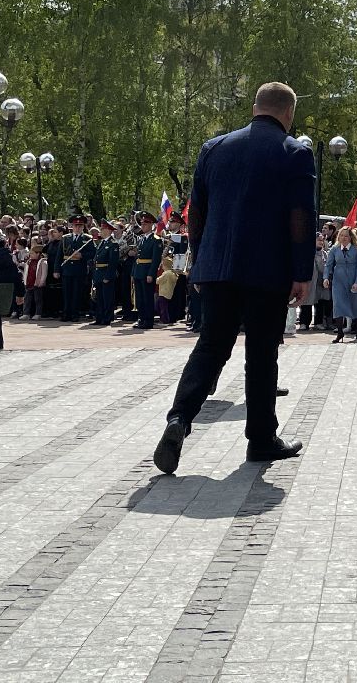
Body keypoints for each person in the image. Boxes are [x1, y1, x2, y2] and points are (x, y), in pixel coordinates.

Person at [153, 82, 317, 473]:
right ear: (288, 113)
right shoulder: (295, 153)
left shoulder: (214, 148)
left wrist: (200, 260)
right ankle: (261, 440)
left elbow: (197, 213)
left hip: (217, 268)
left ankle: (179, 418)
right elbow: (301, 217)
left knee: (211, 346)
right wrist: (300, 272)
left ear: (255, 107)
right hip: (268, 270)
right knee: (261, 354)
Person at [325, 225, 357, 343]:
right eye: (341, 236)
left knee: (356, 305)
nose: (343, 238)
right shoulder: (334, 249)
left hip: (354, 279)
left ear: (350, 238)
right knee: (338, 305)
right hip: (338, 281)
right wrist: (325, 278)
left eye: (346, 236)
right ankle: (339, 332)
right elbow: (328, 265)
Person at [59, 216, 94, 322]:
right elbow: (59, 255)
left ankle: (75, 314)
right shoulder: (65, 238)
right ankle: (66, 313)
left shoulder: (87, 239)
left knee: (77, 293)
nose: (78, 228)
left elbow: (92, 253)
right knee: (66, 293)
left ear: (83, 227)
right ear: (72, 226)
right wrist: (57, 269)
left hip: (79, 269)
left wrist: (82, 255)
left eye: (80, 226)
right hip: (67, 269)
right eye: (76, 226)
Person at [132, 212, 162, 331]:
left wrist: (151, 274)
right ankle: (141, 318)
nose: (142, 226)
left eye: (145, 224)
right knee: (139, 298)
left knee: (147, 298)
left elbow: (155, 259)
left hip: (147, 272)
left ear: (151, 225)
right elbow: (137, 258)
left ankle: (148, 320)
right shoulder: (141, 239)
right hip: (138, 271)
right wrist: (134, 272)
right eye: (142, 224)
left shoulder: (156, 240)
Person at [90, 221, 120, 327]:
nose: (101, 231)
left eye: (102, 229)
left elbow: (113, 262)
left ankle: (107, 318)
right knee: (99, 298)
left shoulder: (113, 244)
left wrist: (108, 276)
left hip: (106, 273)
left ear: (108, 230)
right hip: (99, 273)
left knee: (107, 298)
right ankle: (99, 317)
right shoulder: (102, 243)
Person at [21, 240, 48, 320]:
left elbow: (44, 273)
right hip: (29, 283)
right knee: (27, 299)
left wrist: (42, 282)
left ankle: (38, 313)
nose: (30, 255)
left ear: (38, 254)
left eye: (32, 253)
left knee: (38, 299)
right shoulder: (29, 262)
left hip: (37, 284)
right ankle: (26, 313)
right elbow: (26, 272)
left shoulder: (43, 262)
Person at [156, 255, 180, 327]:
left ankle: (164, 320)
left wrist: (156, 279)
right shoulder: (172, 273)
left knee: (161, 307)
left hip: (163, 292)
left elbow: (158, 281)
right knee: (163, 307)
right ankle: (165, 319)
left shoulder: (166, 273)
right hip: (168, 292)